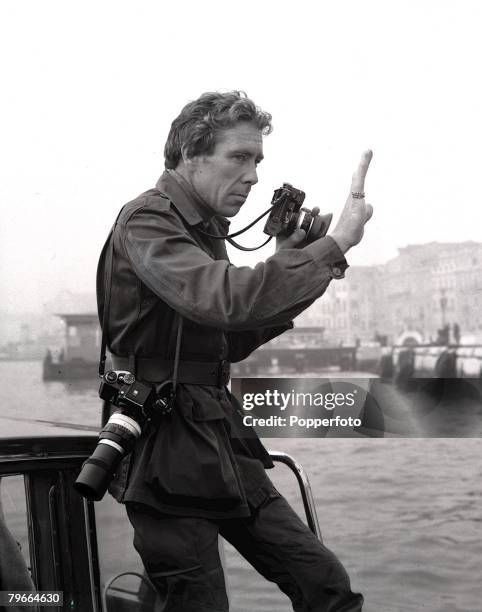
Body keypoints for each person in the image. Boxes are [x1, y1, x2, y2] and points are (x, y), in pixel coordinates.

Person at [97, 90, 373, 612]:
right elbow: (225, 300)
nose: (252, 176)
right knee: (198, 601)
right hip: (161, 447)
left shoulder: (203, 233)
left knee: (324, 585)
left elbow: (228, 340)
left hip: (216, 436)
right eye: (238, 158)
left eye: (257, 161)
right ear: (188, 155)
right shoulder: (148, 221)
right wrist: (332, 247)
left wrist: (295, 262)